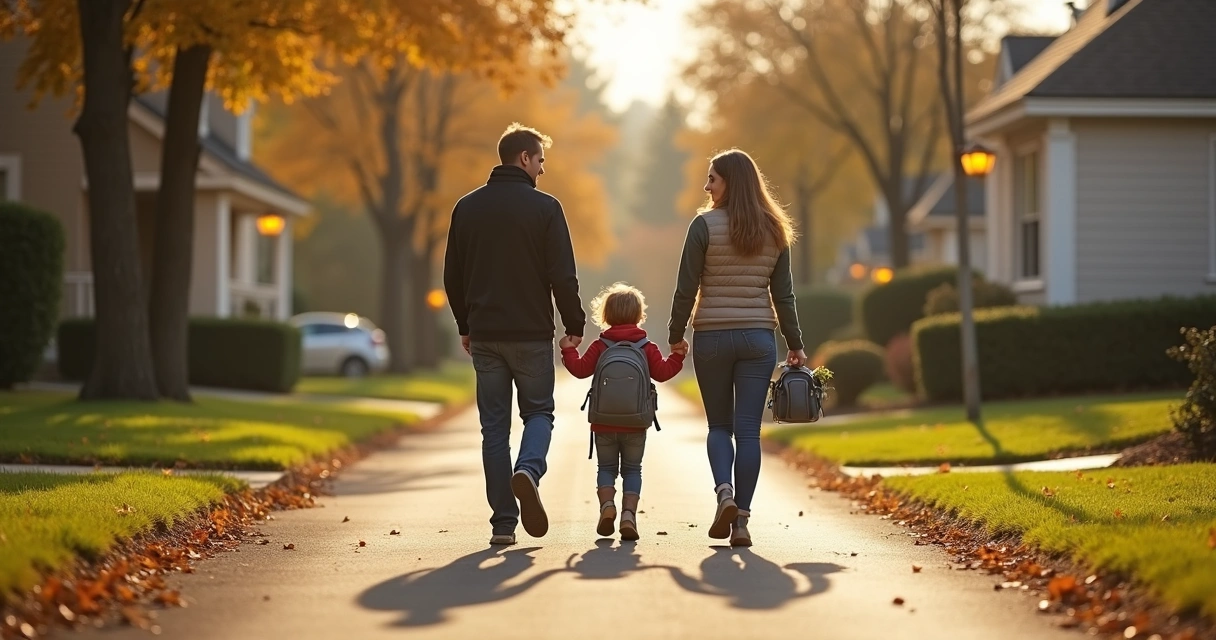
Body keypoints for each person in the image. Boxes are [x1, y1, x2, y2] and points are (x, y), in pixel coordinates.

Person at [443, 122, 586, 546]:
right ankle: (528, 469)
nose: (543, 168)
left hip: (486, 334)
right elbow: (562, 274)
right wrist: (573, 325)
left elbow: (453, 275)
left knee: (493, 429)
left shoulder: (466, 208)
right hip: (530, 334)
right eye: (540, 158)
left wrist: (465, 325)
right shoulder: (546, 209)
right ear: (524, 158)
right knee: (539, 413)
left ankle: (503, 524)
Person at [668, 148, 805, 548]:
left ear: (730, 182)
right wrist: (795, 344)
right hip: (758, 339)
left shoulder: (703, 226)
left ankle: (724, 492)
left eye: (712, 178)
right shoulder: (776, 229)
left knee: (718, 427)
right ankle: (741, 520)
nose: (706, 186)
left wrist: (676, 335)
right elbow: (785, 296)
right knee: (748, 432)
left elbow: (685, 287)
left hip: (711, 336)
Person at [559, 283, 687, 541]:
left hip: (603, 422)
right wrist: (678, 356)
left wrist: (568, 348)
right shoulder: (646, 346)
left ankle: (607, 507)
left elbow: (581, 369)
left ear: (606, 315)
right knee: (632, 469)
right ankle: (629, 514)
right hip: (636, 422)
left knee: (605, 467)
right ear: (639, 314)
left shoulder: (600, 345)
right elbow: (662, 373)